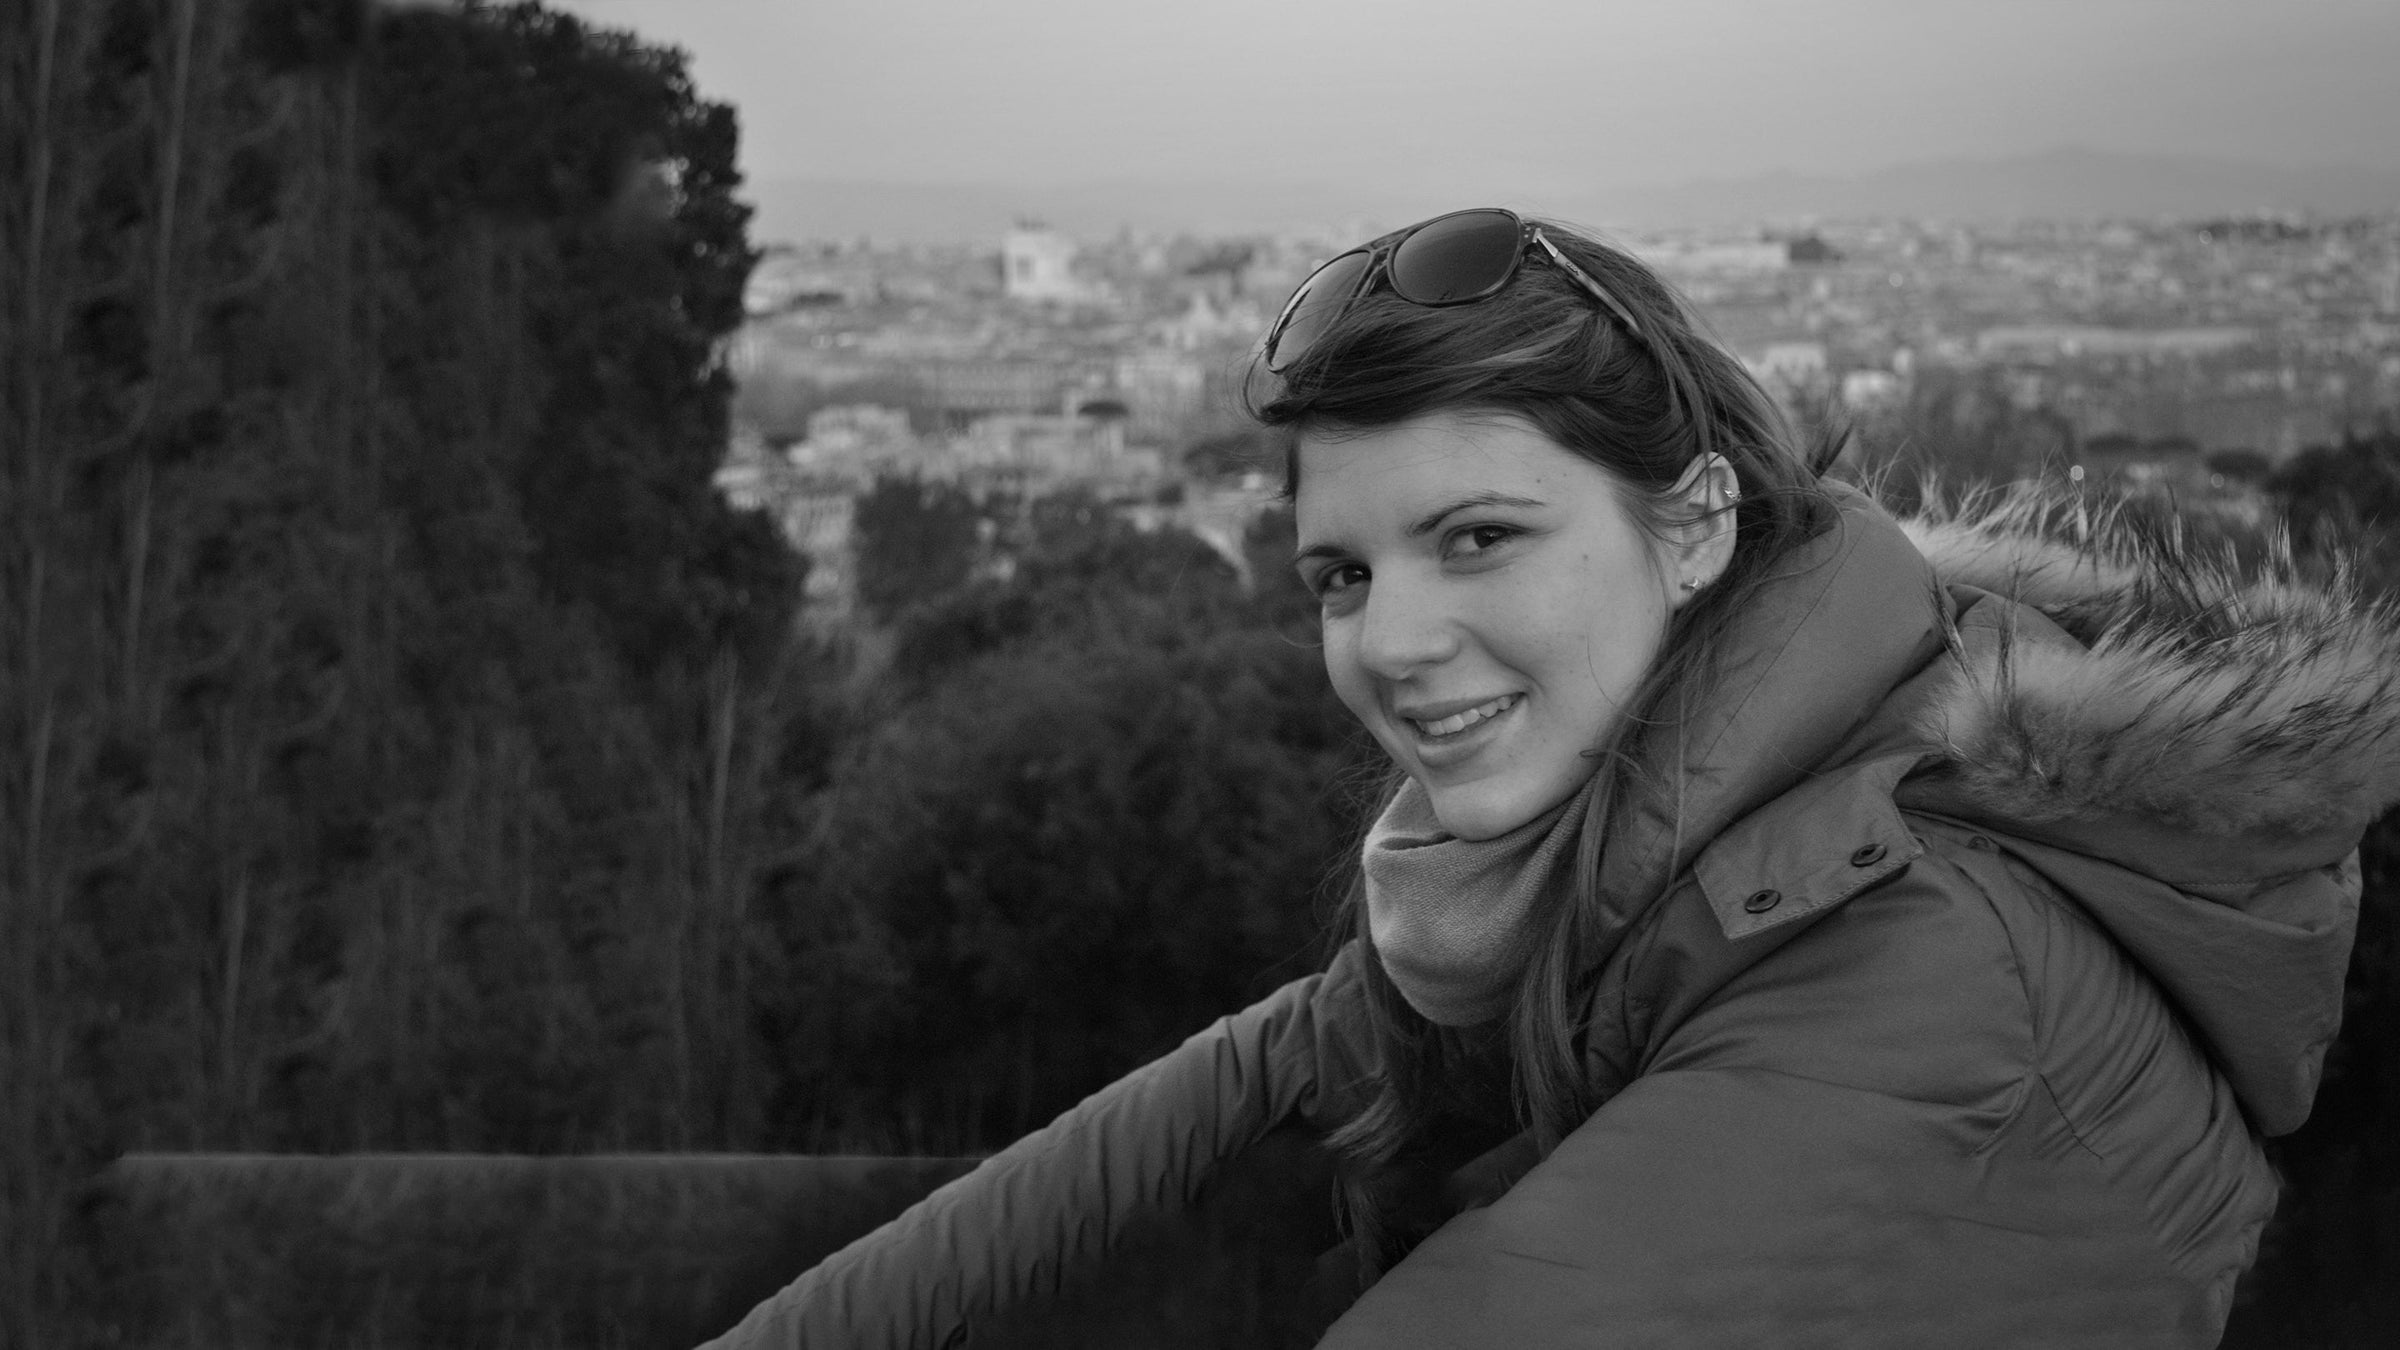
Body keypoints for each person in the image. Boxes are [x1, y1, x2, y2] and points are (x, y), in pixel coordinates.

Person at [700, 209, 2392, 1348]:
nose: (1391, 643)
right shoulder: (1654, 846)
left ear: (1697, 522)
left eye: (1480, 538)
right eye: (1343, 574)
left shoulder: (1934, 973)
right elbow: (1186, 1135)